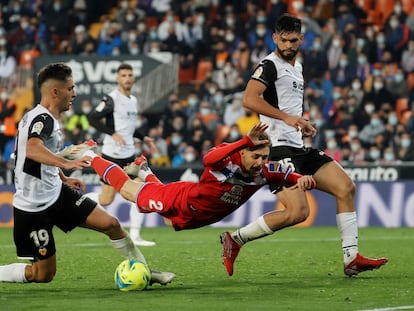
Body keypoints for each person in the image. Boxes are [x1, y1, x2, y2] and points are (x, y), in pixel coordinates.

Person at [223, 14, 388, 278]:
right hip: (277, 149)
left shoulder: (297, 67)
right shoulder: (269, 65)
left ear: (302, 39)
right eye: (284, 40)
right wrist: (287, 118)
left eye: (294, 40)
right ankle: (235, 240)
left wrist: (302, 123)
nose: (289, 45)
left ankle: (351, 258)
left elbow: (290, 107)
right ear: (275, 38)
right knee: (298, 212)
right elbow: (249, 99)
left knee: (346, 187)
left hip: (299, 146)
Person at [0, 62, 174, 285]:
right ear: (55, 91)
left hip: (57, 194)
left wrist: (62, 178)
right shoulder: (41, 119)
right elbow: (32, 150)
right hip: (33, 208)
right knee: (42, 275)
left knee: (111, 224)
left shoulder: (43, 118)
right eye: (70, 88)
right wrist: (66, 163)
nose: (74, 93)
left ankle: (145, 272)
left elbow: (34, 158)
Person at [59, 122, 316, 233]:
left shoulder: (265, 172)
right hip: (182, 199)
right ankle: (90, 154)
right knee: (127, 190)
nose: (261, 163)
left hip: (198, 216)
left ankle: (145, 170)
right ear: (243, 152)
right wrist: (244, 140)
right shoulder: (226, 160)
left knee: (171, 224)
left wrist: (303, 179)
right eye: (256, 156)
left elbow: (289, 174)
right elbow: (208, 160)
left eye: (264, 157)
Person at [87, 63, 156, 247]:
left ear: (133, 78)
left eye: (130, 75)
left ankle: (135, 235)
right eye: (123, 75)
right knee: (106, 199)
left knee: (139, 190)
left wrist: (144, 138)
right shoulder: (111, 98)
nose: (127, 78)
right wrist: (112, 133)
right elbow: (92, 118)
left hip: (129, 155)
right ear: (118, 78)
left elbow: (129, 128)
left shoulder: (132, 100)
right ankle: (82, 202)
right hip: (111, 155)